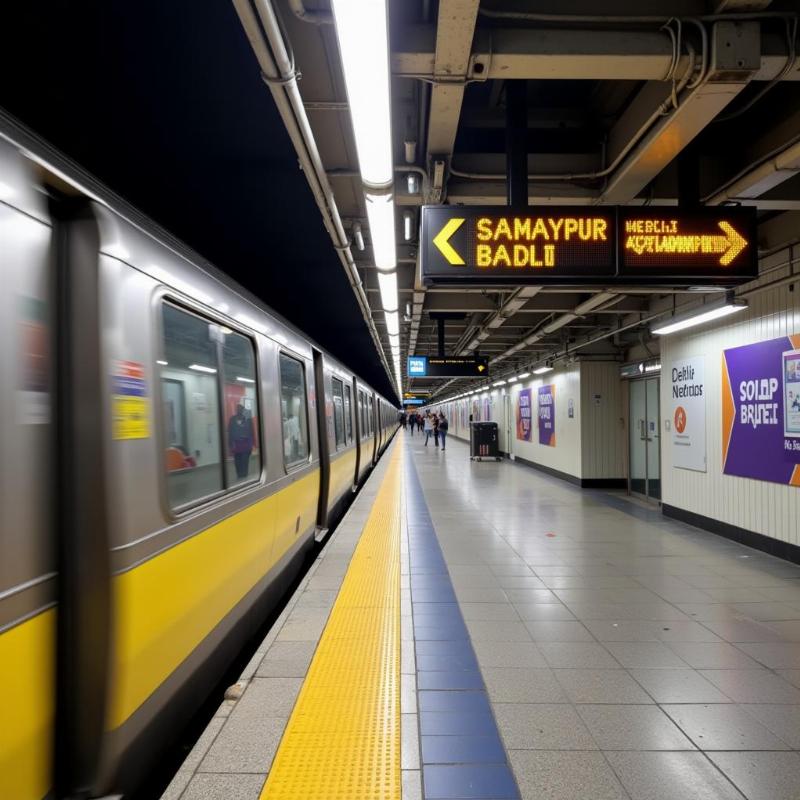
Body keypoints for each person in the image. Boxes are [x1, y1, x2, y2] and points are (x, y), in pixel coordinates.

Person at [228, 403, 254, 479]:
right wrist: (230, 444)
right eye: (237, 409)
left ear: (243, 410)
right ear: (236, 410)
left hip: (246, 445)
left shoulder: (247, 420)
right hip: (236, 445)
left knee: (244, 461)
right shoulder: (232, 419)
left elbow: (251, 432)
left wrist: (252, 444)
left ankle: (244, 475)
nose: (239, 410)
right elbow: (230, 432)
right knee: (237, 461)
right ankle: (239, 475)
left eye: (240, 409)